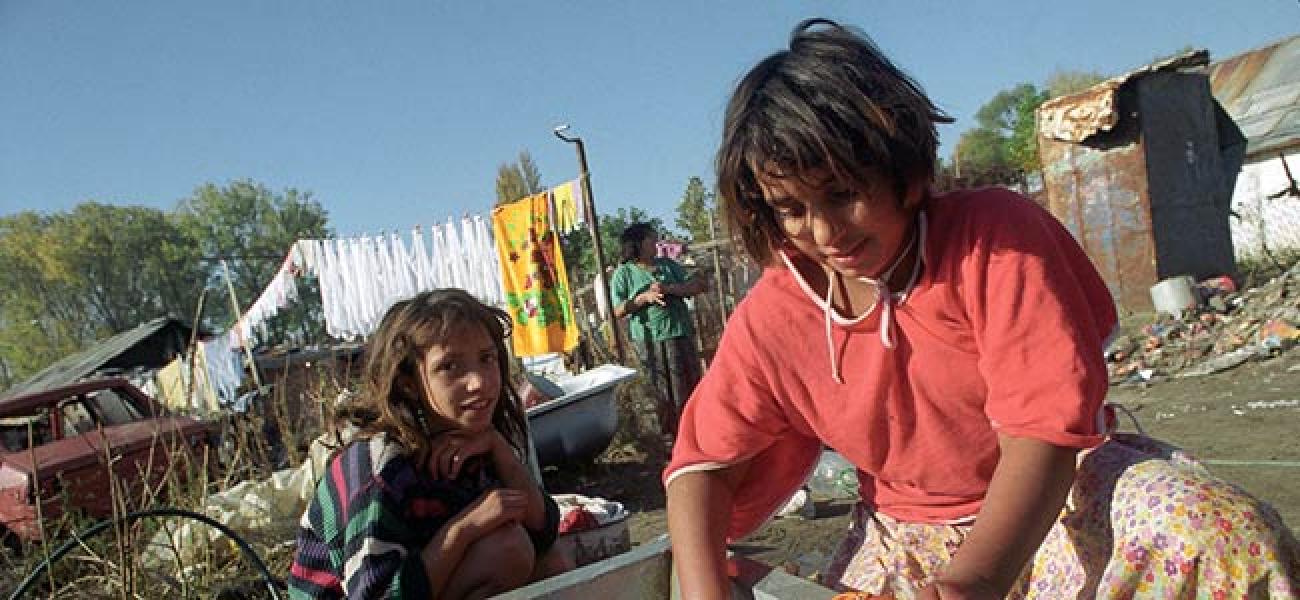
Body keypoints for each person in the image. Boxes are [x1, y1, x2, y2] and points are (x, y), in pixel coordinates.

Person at [665, 18, 1299, 600]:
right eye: (792, 209)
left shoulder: (995, 240)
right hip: (905, 535)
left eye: (843, 193)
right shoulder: (776, 311)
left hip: (1054, 499)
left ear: (899, 165)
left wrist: (975, 578)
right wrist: (702, 592)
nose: (827, 232)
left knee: (1213, 531)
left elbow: (1043, 436)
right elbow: (701, 467)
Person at [287, 289, 569, 599]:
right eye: (449, 367)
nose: (478, 381)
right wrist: (464, 529)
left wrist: (499, 448)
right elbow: (372, 594)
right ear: (409, 382)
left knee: (552, 563)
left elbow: (543, 534)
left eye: (486, 358)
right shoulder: (378, 465)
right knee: (507, 550)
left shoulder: (469, 440)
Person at [610, 223, 706, 438]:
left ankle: (695, 433)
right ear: (638, 244)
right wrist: (645, 298)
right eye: (651, 239)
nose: (656, 244)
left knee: (690, 387)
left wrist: (669, 289)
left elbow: (697, 286)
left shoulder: (667, 266)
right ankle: (669, 438)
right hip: (651, 340)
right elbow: (616, 310)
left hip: (679, 332)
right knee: (660, 392)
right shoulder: (624, 274)